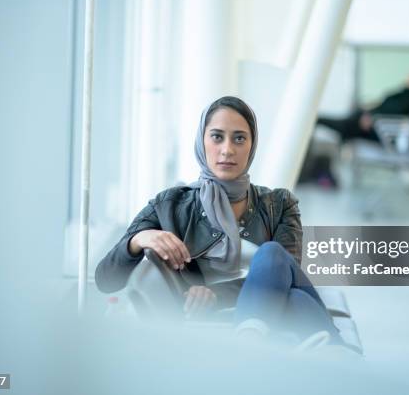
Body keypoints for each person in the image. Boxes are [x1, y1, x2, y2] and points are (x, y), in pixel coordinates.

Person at [95, 96, 343, 346]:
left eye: (239, 138)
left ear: (252, 145)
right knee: (296, 299)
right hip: (225, 323)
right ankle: (335, 350)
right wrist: (138, 239)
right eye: (217, 137)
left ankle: (248, 340)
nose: (227, 149)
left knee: (272, 255)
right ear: (202, 142)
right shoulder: (169, 205)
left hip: (264, 316)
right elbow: (106, 280)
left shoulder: (279, 204)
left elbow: (282, 275)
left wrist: (215, 294)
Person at [299, 70, 409, 187]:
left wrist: (372, 118)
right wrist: (370, 111)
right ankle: (318, 162)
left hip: (380, 133)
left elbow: (394, 112)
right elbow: (388, 107)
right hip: (377, 127)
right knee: (343, 124)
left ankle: (312, 125)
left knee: (337, 124)